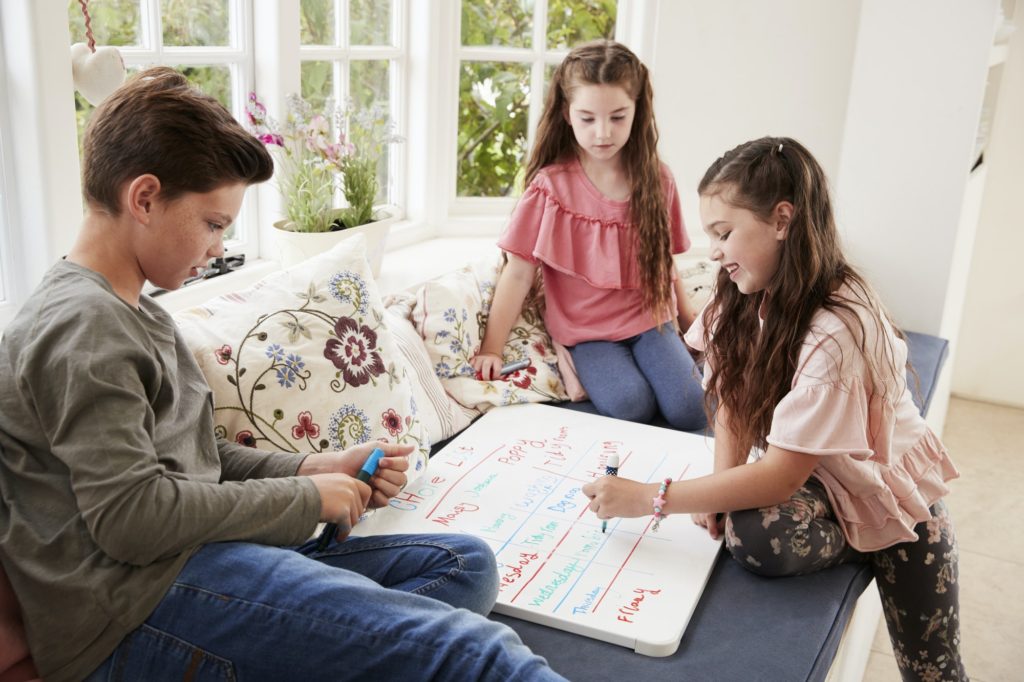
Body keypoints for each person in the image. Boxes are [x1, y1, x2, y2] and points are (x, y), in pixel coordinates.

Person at [0, 68, 564, 682]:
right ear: (144, 198)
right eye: (214, 224)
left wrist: (312, 468)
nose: (218, 247)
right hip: (134, 606)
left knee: (464, 565)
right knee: (474, 653)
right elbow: (132, 519)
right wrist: (304, 500)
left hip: (198, 557)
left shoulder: (136, 310)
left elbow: (195, 458)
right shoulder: (83, 326)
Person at [582, 137, 966, 681]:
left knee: (936, 672)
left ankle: (872, 540)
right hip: (826, 481)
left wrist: (650, 498)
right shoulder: (742, 288)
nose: (712, 251)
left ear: (782, 220)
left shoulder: (839, 327)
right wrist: (720, 486)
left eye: (723, 233)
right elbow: (735, 401)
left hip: (894, 503)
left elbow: (782, 476)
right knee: (750, 535)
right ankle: (856, 536)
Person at [470, 40, 705, 431]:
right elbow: (518, 272)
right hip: (587, 332)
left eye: (617, 117)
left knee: (689, 409)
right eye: (587, 118)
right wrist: (491, 348)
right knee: (631, 405)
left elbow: (664, 260)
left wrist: (687, 318)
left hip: (650, 319)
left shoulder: (657, 179)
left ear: (637, 111)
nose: (602, 133)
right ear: (567, 114)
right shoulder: (551, 188)